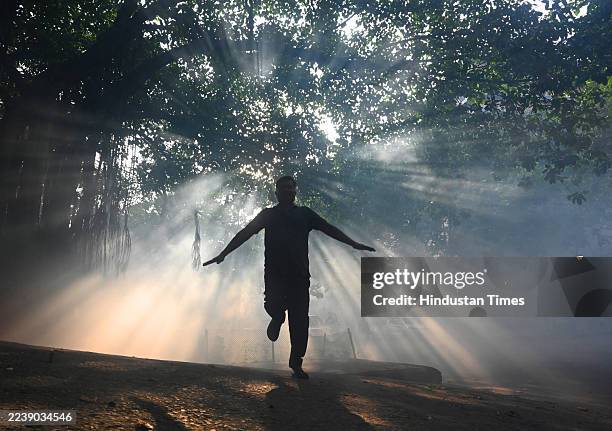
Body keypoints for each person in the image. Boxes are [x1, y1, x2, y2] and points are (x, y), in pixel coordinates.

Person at [203, 176, 375, 379]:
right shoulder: (268, 215)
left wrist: (353, 243)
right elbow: (245, 233)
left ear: (295, 191)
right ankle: (276, 317)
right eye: (282, 188)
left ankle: (296, 362)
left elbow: (329, 228)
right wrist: (224, 253)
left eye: (290, 187)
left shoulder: (305, 214)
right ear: (276, 193)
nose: (287, 190)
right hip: (275, 274)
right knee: (272, 305)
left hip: (299, 275)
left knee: (300, 321)